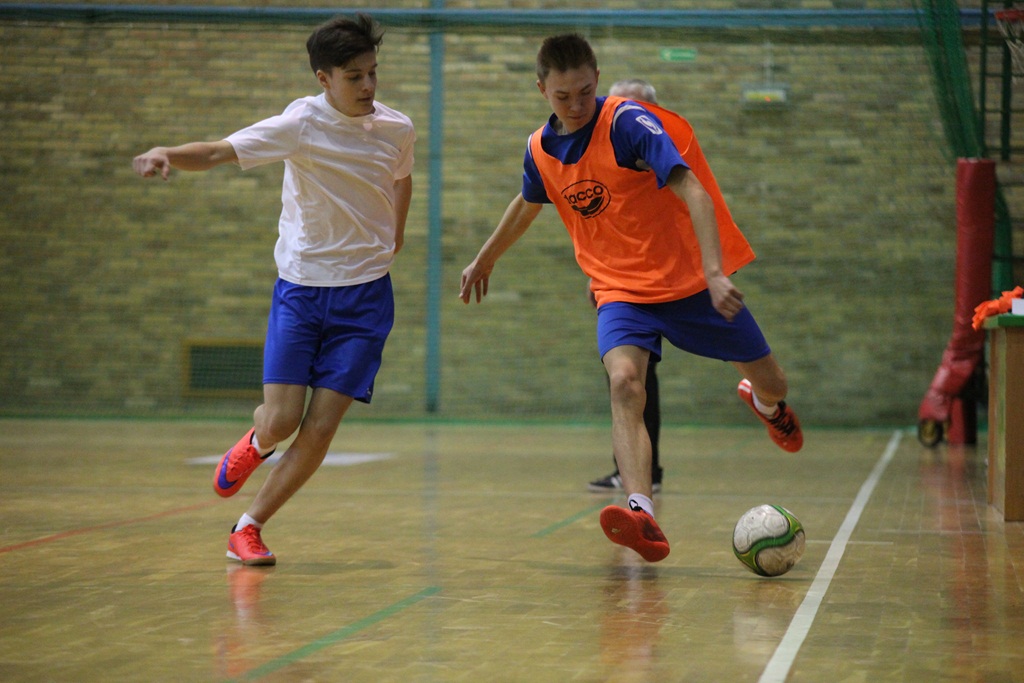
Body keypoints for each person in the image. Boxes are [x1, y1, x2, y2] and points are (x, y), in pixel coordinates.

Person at [459, 34, 802, 564]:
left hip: (689, 283)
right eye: (562, 96)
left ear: (597, 79)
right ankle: (641, 510)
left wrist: (714, 273)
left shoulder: (627, 123)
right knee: (624, 383)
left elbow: (692, 189)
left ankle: (764, 402)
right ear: (541, 90)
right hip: (620, 290)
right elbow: (528, 202)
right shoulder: (539, 148)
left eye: (585, 92)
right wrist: (485, 258)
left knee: (774, 381)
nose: (576, 105)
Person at [133, 14, 415, 567]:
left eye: (373, 73)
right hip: (303, 291)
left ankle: (248, 527)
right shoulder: (299, 125)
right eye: (354, 77)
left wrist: (395, 235)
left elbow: (401, 178)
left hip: (366, 299)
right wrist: (168, 152)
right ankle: (258, 442)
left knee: (321, 427)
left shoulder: (396, 128)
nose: (368, 86)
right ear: (323, 78)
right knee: (283, 420)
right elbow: (217, 151)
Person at [587, 78, 662, 495]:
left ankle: (645, 473)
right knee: (628, 377)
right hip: (623, 286)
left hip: (670, 282)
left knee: (638, 379)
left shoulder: (666, 165)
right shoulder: (610, 167)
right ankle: (636, 476)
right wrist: (598, 277)